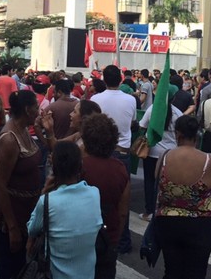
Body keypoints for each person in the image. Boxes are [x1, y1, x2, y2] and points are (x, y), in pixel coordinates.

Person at [154, 115, 211, 279]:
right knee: (196, 272)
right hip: (200, 224)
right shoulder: (209, 160)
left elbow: (157, 178)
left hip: (168, 222)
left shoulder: (165, 157)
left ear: (178, 134)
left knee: (171, 270)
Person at [27, 141, 102, 279]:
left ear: (54, 169)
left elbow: (32, 229)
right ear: (80, 166)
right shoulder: (94, 194)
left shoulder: (48, 201)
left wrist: (44, 191)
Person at [0, 90, 42, 278]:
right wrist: (12, 228)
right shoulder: (10, 139)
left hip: (25, 213)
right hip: (11, 216)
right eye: (36, 107)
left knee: (19, 265)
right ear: (27, 110)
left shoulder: (25, 128)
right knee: (10, 268)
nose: (39, 110)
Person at [90, 65, 136, 254]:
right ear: (121, 79)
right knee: (121, 201)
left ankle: (97, 239)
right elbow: (132, 122)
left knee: (97, 200)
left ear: (104, 79)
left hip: (100, 152)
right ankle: (122, 241)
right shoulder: (130, 99)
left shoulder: (95, 99)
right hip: (123, 152)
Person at [79, 113, 129, 279]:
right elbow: (122, 211)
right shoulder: (120, 168)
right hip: (109, 235)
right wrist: (116, 237)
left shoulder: (78, 166)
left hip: (80, 235)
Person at [138, 84, 182, 222]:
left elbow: (141, 126)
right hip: (171, 154)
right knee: (168, 183)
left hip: (152, 152)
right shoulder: (178, 113)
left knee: (150, 182)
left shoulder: (152, 110)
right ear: (174, 98)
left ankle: (149, 211)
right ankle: (166, 209)